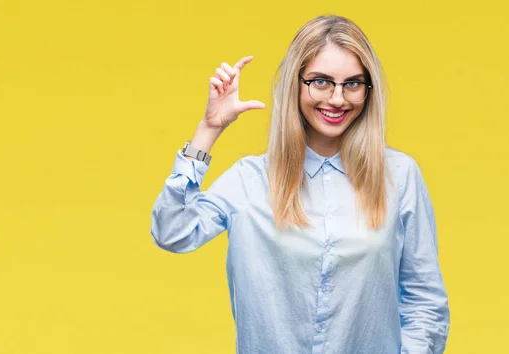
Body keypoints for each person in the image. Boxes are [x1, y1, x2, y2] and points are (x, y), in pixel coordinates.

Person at [150, 15, 449, 354]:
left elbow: (425, 301)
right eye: (320, 82)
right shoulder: (249, 180)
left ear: (368, 90)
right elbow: (172, 232)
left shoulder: (400, 175)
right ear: (295, 83)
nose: (337, 99)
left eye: (352, 84)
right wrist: (209, 129)